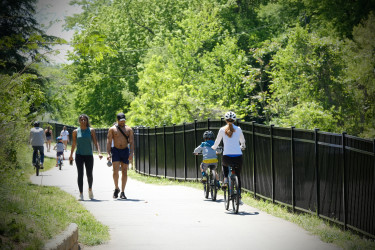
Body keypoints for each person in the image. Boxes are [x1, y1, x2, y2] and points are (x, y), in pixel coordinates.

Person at [212, 111, 246, 202]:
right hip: (238, 156)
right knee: (238, 175)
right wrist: (242, 146)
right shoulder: (238, 129)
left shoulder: (222, 129)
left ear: (226, 120)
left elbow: (217, 142)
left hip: (227, 156)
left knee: (224, 166)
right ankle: (238, 193)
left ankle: (226, 179)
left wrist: (214, 148)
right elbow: (242, 141)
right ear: (234, 120)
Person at [69, 114, 103, 201]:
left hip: (89, 155)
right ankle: (81, 194)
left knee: (89, 174)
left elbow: (96, 142)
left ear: (87, 121)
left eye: (85, 120)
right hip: (79, 155)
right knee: (80, 174)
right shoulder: (75, 131)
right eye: (81, 120)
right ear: (79, 121)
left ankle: (90, 189)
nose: (83, 121)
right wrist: (71, 155)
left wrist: (99, 152)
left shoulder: (91, 130)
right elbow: (73, 144)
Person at [106, 113, 134, 199]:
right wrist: (108, 153)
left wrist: (131, 153)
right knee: (115, 171)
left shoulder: (129, 129)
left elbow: (132, 142)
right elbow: (109, 141)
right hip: (116, 150)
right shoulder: (112, 129)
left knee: (124, 171)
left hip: (125, 151)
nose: (122, 122)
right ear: (118, 120)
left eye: (124, 120)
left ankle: (122, 191)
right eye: (121, 121)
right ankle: (116, 188)